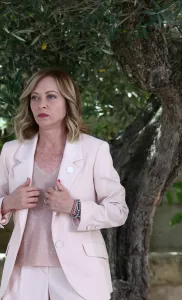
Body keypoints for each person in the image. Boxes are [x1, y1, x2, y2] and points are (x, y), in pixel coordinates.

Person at [0, 68, 129, 300]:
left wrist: (75, 207)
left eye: (51, 96)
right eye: (35, 98)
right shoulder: (11, 152)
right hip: (23, 274)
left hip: (79, 276)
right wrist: (8, 203)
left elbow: (118, 211)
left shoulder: (94, 150)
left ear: (68, 101)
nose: (42, 105)